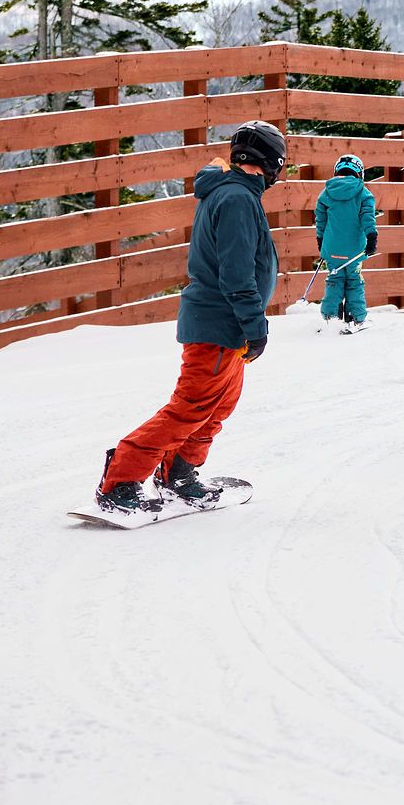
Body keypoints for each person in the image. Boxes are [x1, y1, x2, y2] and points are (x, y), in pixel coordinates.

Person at [96, 120, 285, 513]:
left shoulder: (234, 194)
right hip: (219, 323)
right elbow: (236, 273)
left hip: (228, 327)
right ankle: (122, 477)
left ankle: (178, 472)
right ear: (271, 162)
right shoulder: (235, 198)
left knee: (218, 406)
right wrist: (256, 326)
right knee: (191, 407)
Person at [314, 153, 377, 332]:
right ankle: (357, 318)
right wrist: (372, 237)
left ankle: (330, 317)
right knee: (354, 281)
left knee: (334, 279)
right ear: (360, 173)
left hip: (331, 248)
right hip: (354, 251)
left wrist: (321, 241)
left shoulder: (326, 193)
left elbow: (321, 220)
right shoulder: (364, 194)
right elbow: (367, 218)